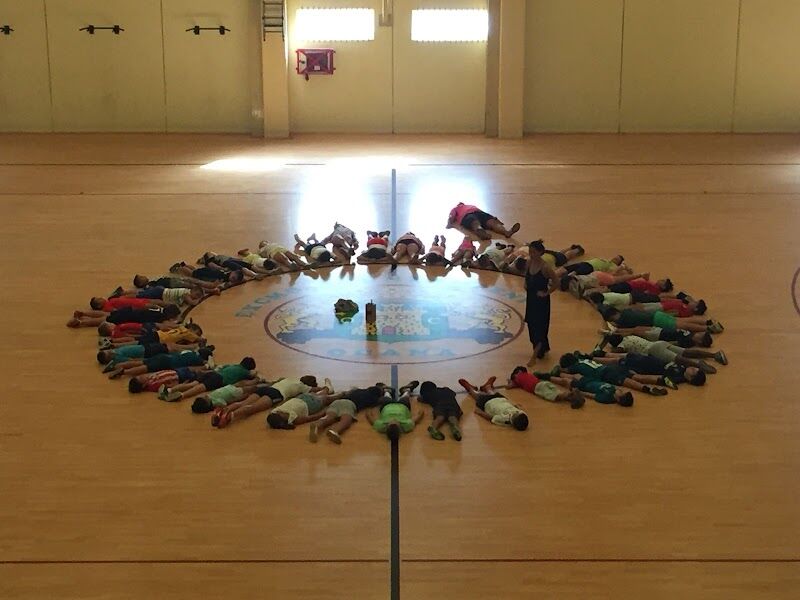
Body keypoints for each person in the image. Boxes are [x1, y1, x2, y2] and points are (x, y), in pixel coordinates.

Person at [211, 376, 331, 428]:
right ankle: (230, 416)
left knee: (243, 403)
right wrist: (326, 385)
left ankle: (224, 411)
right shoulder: (302, 386)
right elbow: (317, 391)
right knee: (253, 408)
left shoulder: (288, 378)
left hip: (267, 388)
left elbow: (276, 380)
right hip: (275, 394)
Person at [600, 333, 727, 372]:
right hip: (659, 343)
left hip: (654, 350)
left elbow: (617, 351)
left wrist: (604, 346)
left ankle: (699, 365)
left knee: (678, 359)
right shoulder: (630, 337)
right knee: (686, 352)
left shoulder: (623, 345)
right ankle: (714, 355)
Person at [309, 384, 388, 444]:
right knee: (346, 419)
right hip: (349, 404)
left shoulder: (357, 391)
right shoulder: (373, 398)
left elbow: (347, 391)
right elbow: (381, 402)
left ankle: (317, 424)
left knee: (329, 417)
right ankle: (335, 430)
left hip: (336, 402)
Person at [557, 353, 668, 395]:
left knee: (627, 382)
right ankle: (660, 379)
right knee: (635, 376)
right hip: (610, 368)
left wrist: (559, 371)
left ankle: (646, 389)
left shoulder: (574, 367)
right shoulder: (582, 360)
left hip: (605, 374)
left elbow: (565, 372)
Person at [157, 357, 258, 402]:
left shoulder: (233, 365)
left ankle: (169, 390)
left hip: (213, 373)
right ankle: (182, 395)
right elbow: (252, 375)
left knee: (193, 384)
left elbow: (220, 367)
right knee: (200, 388)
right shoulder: (244, 372)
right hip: (219, 379)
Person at [524, 240, 558, 366]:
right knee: (531, 325)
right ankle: (541, 348)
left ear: (540, 252)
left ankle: (534, 355)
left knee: (540, 328)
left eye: (533, 252)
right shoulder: (529, 263)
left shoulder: (545, 268)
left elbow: (556, 282)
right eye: (530, 251)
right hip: (531, 299)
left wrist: (546, 293)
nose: (531, 254)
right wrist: (525, 283)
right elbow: (526, 276)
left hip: (541, 302)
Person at [459, 377, 529, 430]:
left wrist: (480, 412)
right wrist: (516, 406)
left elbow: (491, 418)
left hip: (488, 404)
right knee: (492, 392)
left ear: (512, 421)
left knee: (478, 396)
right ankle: (487, 387)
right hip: (501, 400)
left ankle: (470, 388)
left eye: (514, 415)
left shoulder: (505, 420)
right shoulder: (521, 413)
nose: (515, 412)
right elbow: (517, 409)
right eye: (517, 412)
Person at [601, 305, 723, 334]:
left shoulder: (623, 321)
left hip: (655, 321)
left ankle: (708, 328)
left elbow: (622, 330)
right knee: (683, 321)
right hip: (656, 315)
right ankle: (707, 322)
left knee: (682, 326)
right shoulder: (626, 312)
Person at [106, 347, 214, 379]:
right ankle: (124, 372)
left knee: (141, 362)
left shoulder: (189, 352)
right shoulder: (197, 360)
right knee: (145, 368)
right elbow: (206, 366)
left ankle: (117, 365)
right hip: (167, 363)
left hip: (164, 357)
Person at [507, 367, 585, 409]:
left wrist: (510, 381)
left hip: (538, 387)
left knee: (555, 397)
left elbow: (509, 386)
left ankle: (573, 393)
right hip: (543, 382)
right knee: (558, 394)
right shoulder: (527, 374)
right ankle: (574, 399)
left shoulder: (517, 379)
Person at [266, 389, 342, 430]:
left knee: (318, 395)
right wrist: (324, 412)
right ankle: (341, 394)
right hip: (310, 405)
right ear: (281, 417)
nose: (279, 412)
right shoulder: (293, 419)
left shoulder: (275, 411)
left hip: (301, 398)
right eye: (280, 413)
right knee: (326, 398)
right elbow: (311, 417)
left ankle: (327, 389)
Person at [446, 202, 520, 240]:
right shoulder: (457, 208)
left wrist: (450, 223)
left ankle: (482, 232)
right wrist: (449, 224)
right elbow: (451, 217)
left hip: (471, 214)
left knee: (477, 222)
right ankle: (505, 232)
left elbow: (451, 217)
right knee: (490, 222)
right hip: (472, 214)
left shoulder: (459, 208)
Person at [67, 304, 181, 328]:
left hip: (131, 310)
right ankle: (81, 323)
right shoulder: (161, 318)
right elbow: (167, 325)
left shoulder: (158, 310)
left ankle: (83, 314)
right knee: (105, 319)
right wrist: (177, 323)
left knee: (108, 314)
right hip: (131, 318)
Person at [127, 366, 207, 394]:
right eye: (141, 378)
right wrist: (181, 385)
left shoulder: (149, 379)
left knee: (189, 369)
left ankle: (205, 368)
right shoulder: (153, 386)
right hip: (178, 377)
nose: (142, 376)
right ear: (143, 385)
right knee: (194, 375)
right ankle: (207, 372)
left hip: (174, 372)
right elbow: (168, 386)